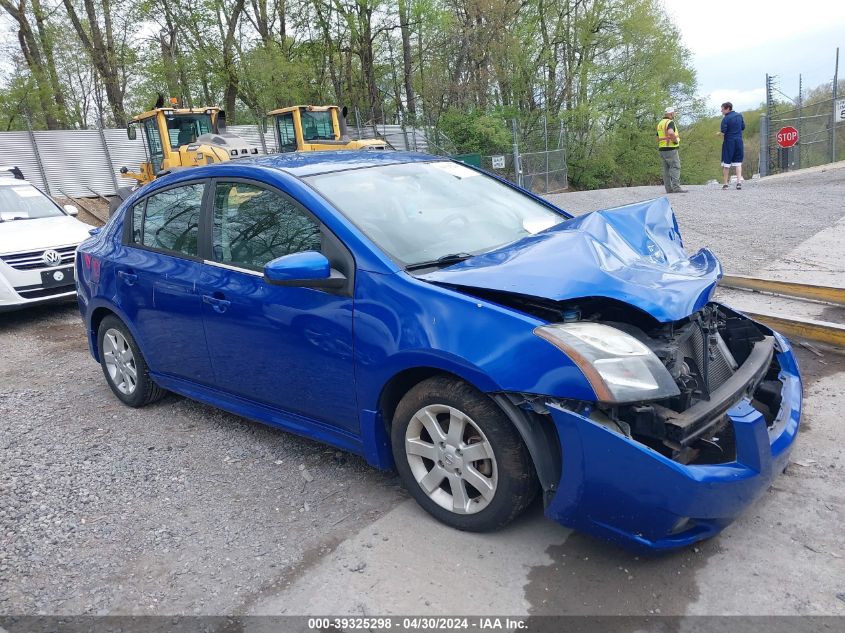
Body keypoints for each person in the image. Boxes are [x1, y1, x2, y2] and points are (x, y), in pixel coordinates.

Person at [657, 106, 687, 193]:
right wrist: (674, 141)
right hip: (670, 148)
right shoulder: (670, 122)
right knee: (675, 167)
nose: (674, 114)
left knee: (666, 169)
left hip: (662, 149)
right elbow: (670, 132)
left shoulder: (660, 124)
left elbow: (657, 138)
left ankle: (669, 189)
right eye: (674, 113)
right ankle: (676, 188)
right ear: (671, 114)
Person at [718, 102, 745, 190]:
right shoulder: (739, 116)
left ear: (727, 108)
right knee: (738, 163)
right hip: (739, 141)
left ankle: (725, 184)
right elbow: (743, 127)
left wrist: (719, 134)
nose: (721, 111)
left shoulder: (725, 119)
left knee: (726, 163)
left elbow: (723, 131)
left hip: (729, 142)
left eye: (722, 109)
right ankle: (739, 183)